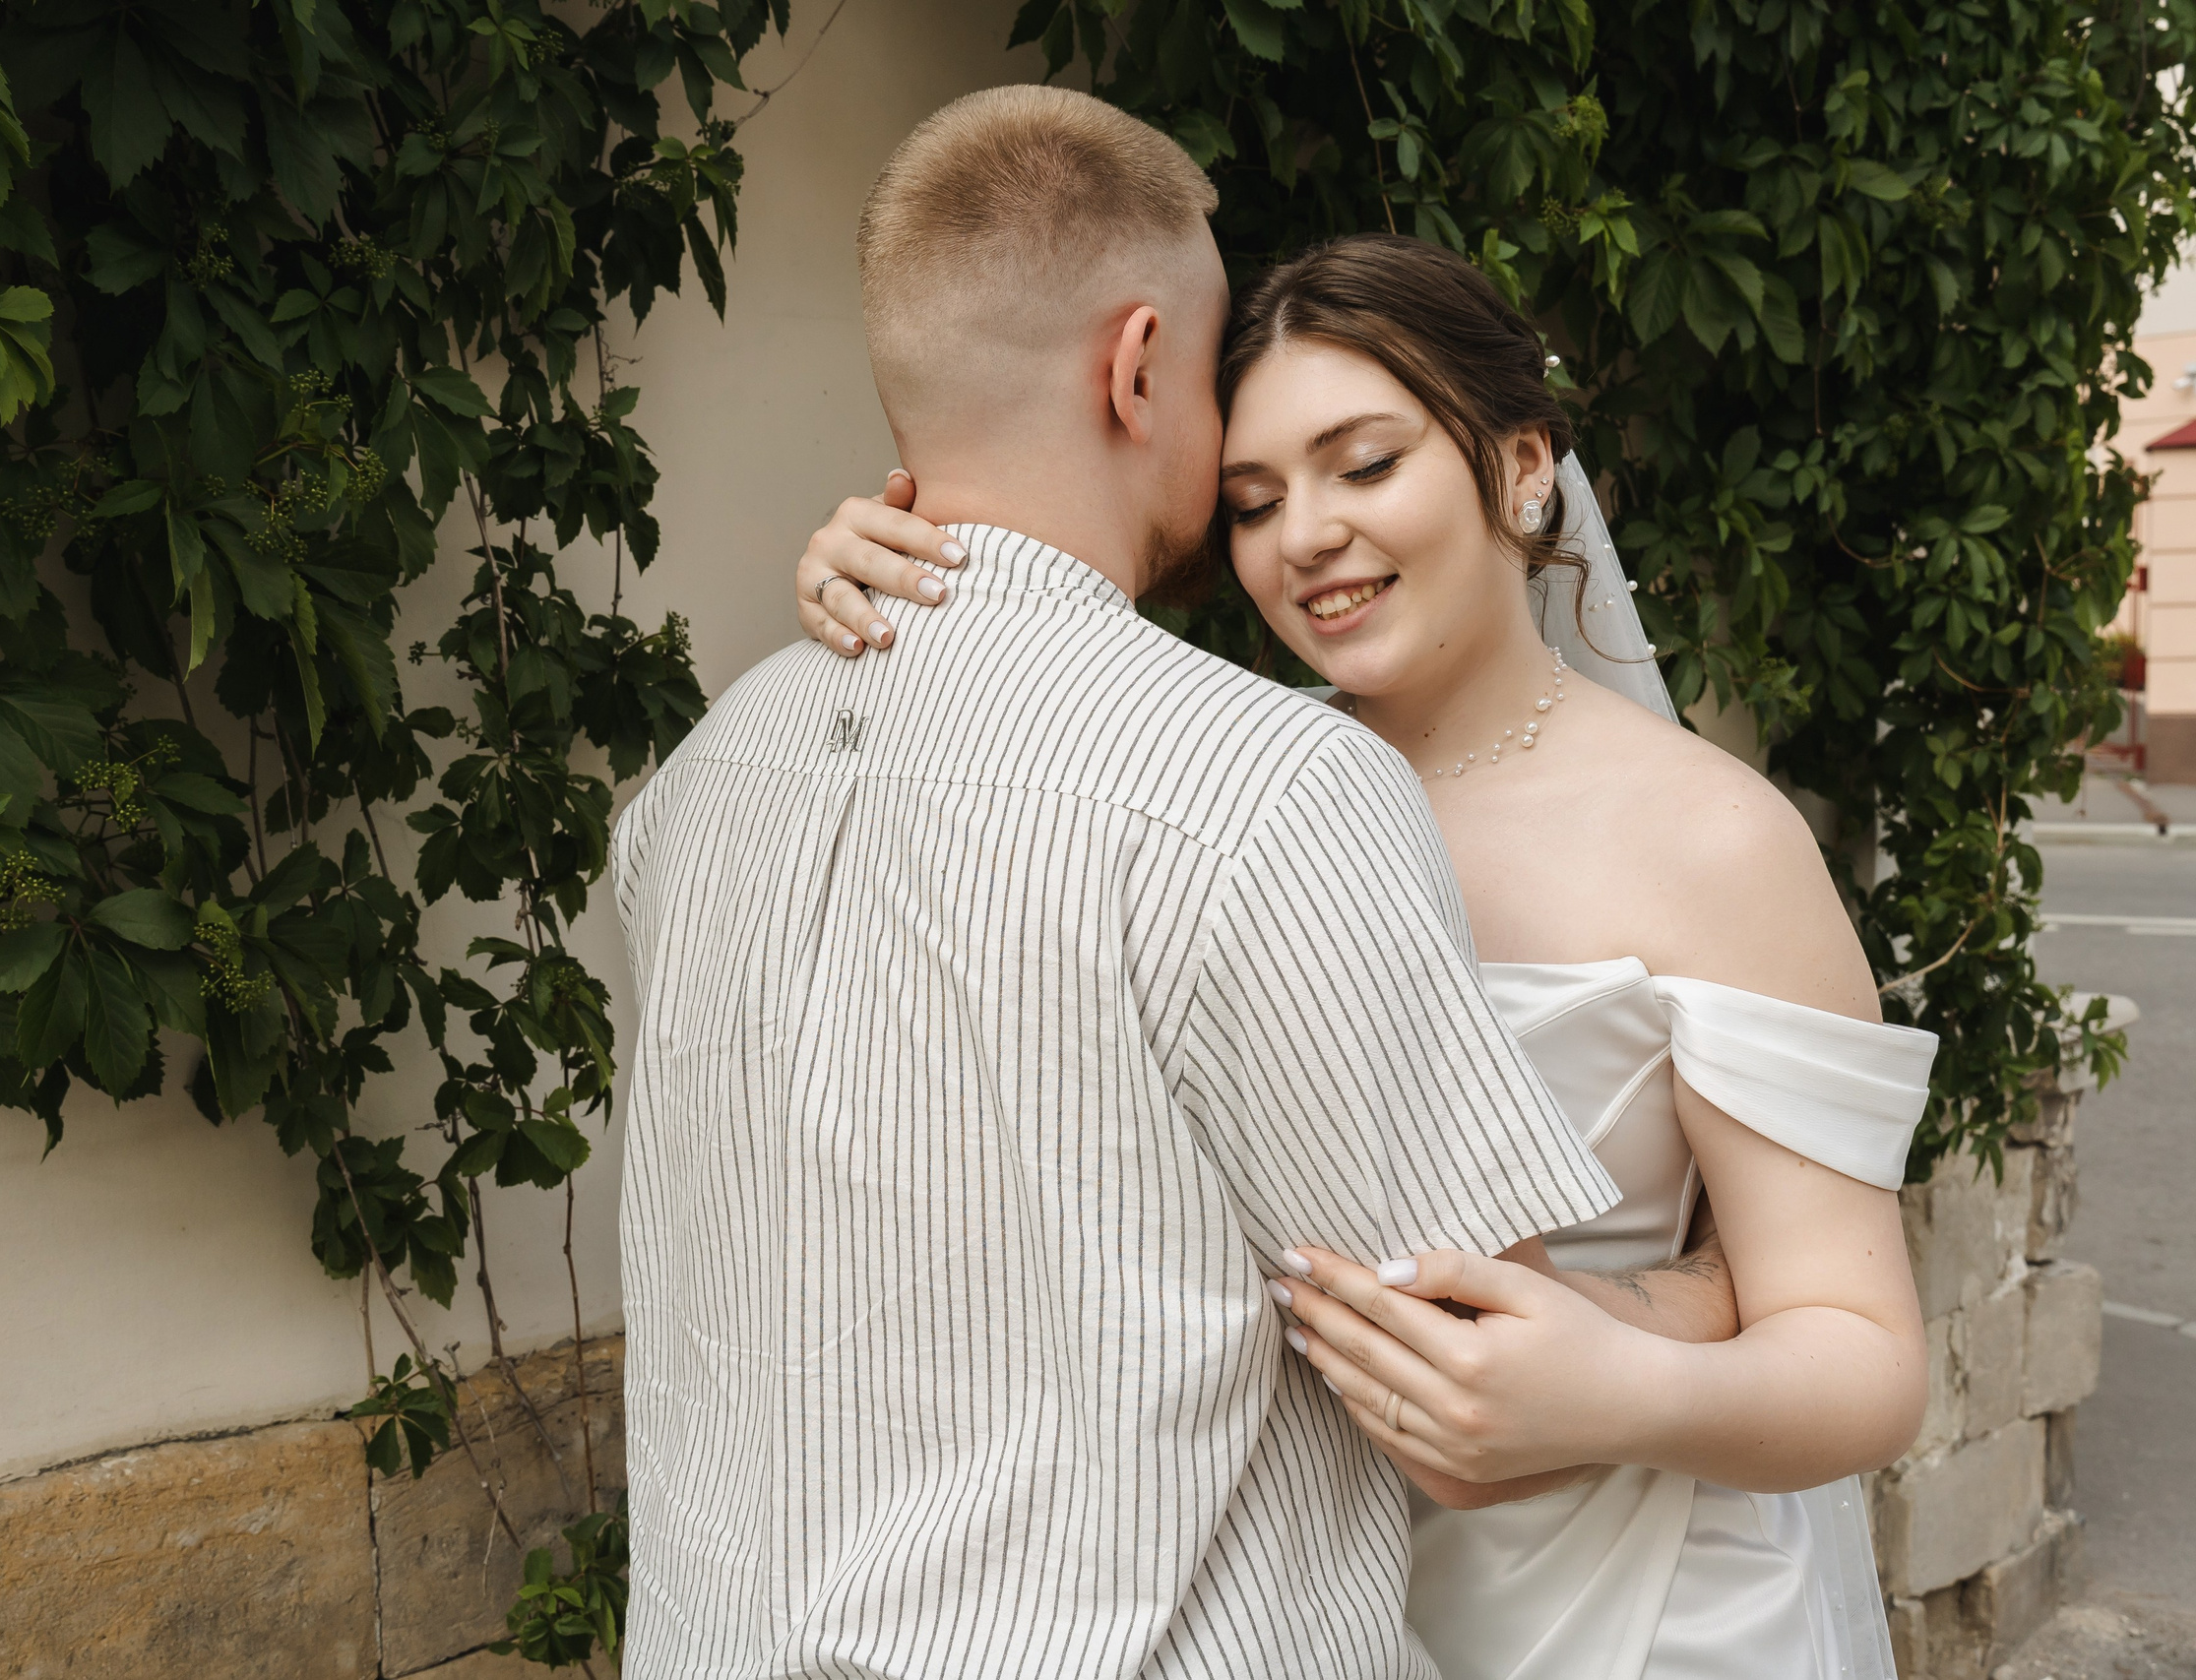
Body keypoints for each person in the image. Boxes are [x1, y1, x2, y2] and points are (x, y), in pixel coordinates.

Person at [790, 232, 1938, 1679]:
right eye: (1255, 501)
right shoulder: (1216, 798)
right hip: (1273, 1591)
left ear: (1523, 465)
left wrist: (1618, 1388)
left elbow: (1861, 1355)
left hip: (1638, 1607)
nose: (1305, 536)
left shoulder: (1710, 841)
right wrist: (895, 562)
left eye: (1366, 464)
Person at [610, 88, 1632, 1679]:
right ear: (1139, 362)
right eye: (1220, 374)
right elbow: (1482, 1420)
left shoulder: (693, 787)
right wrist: (1708, 1296)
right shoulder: (1268, 797)